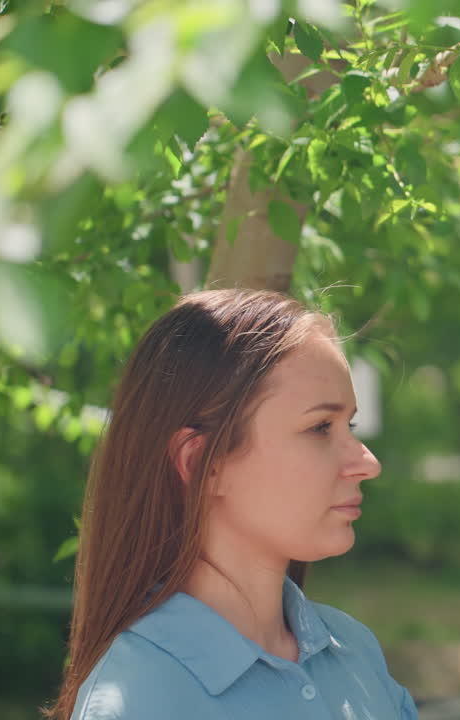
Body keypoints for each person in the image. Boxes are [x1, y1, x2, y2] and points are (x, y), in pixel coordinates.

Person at [45, 288, 417, 720]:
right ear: (203, 461)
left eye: (348, 424)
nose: (367, 462)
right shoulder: (136, 699)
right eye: (320, 427)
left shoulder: (355, 653)